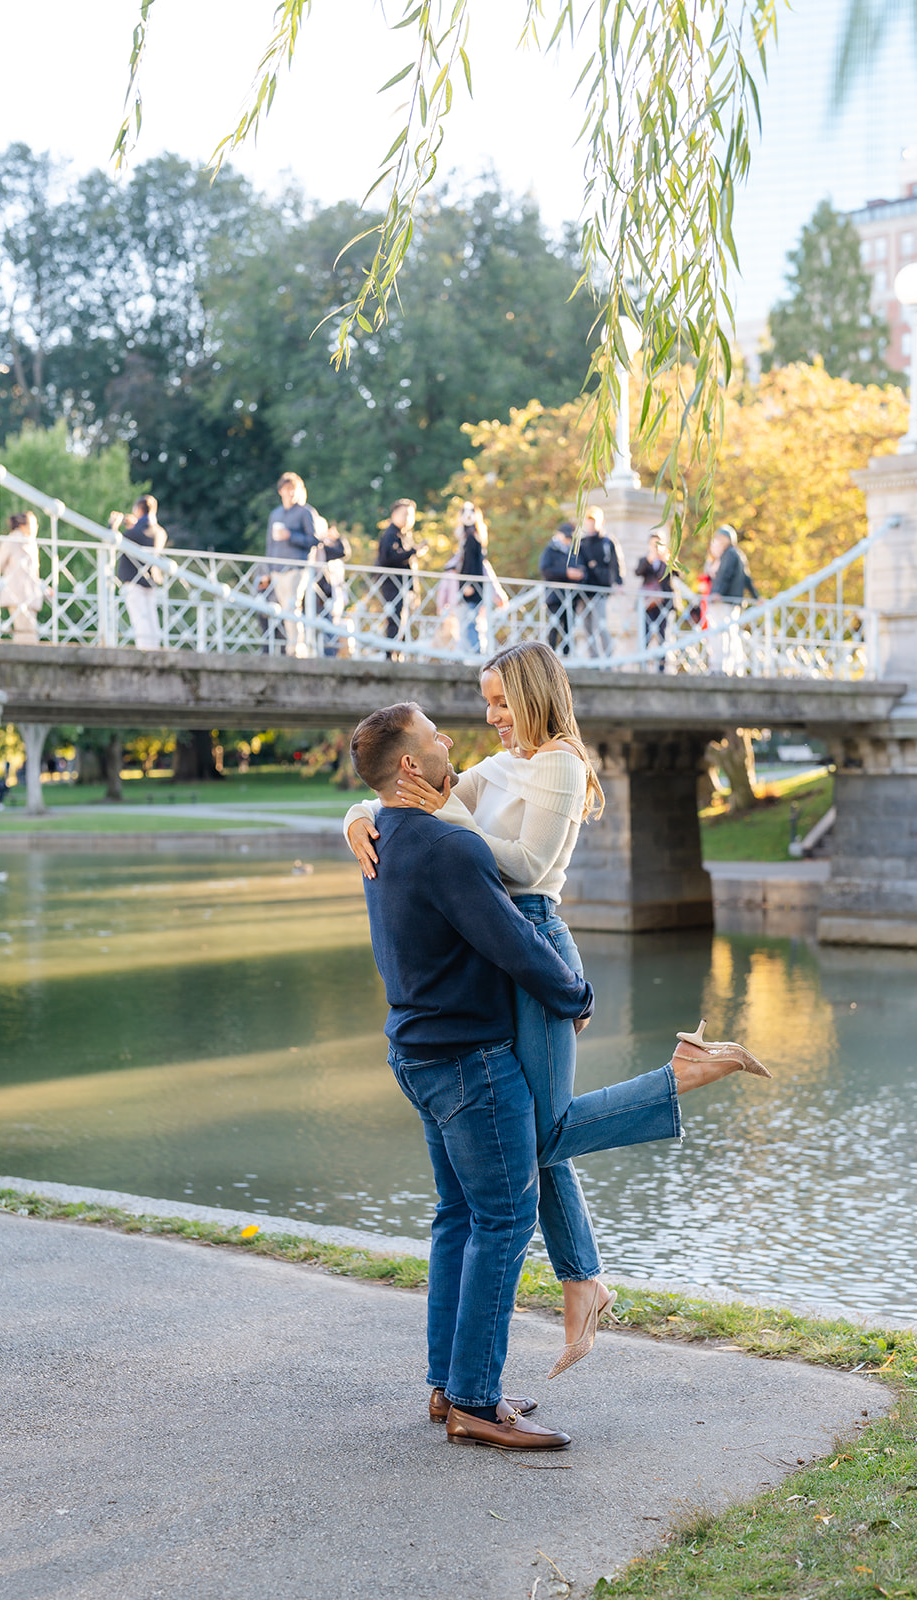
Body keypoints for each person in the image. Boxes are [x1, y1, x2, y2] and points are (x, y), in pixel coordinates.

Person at [348, 698, 771, 1451]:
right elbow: (511, 940)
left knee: (458, 1216)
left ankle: (449, 1386)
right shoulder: (450, 850)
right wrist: (577, 993)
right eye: (434, 735)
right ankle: (476, 1403)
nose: (452, 737)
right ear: (411, 764)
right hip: (468, 1059)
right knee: (504, 1218)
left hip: (415, 1053)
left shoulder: (386, 834)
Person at [258, 472, 321, 657]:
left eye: (294, 489)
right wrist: (267, 570)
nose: (291, 493)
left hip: (296, 567)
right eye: (287, 489)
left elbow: (315, 540)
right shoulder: (275, 514)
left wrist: (291, 536)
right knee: (284, 608)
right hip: (277, 568)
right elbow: (270, 544)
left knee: (292, 605)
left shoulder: (306, 512)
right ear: (281, 491)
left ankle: (296, 647)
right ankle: (290, 645)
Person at [113, 496, 166, 651]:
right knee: (152, 618)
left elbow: (114, 540)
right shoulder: (160, 532)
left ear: (139, 509)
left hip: (134, 581)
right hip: (152, 580)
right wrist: (134, 525)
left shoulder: (134, 533)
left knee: (140, 619)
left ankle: (145, 650)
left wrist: (114, 526)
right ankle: (154, 648)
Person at [453, 504, 507, 656]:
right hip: (473, 586)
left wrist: (468, 584)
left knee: (470, 622)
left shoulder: (471, 538)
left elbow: (473, 564)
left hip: (471, 587)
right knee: (469, 621)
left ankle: (475, 653)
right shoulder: (472, 537)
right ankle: (473, 652)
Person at [376, 499, 424, 659]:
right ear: (394, 514)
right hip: (392, 585)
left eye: (410, 515)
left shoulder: (404, 535)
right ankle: (390, 655)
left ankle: (397, 653)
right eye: (404, 514)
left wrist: (414, 591)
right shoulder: (390, 534)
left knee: (401, 620)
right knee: (395, 619)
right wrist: (412, 551)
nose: (408, 518)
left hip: (402, 585)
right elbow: (388, 558)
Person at [707, 524, 758, 675]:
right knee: (731, 633)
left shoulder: (729, 554)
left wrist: (717, 592)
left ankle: (719, 667)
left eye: (720, 539)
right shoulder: (738, 555)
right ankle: (735, 667)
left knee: (721, 634)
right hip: (733, 601)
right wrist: (756, 596)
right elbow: (747, 578)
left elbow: (725, 575)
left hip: (724, 601)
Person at [576, 508, 624, 660]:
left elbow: (616, 563)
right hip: (584, 590)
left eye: (593, 521)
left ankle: (608, 656)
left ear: (601, 522)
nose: (590, 525)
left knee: (601, 624)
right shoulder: (581, 543)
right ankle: (594, 658)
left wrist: (618, 581)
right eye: (588, 522)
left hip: (601, 589)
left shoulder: (607, 541)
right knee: (587, 627)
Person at [0, 511, 44, 644]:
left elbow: (32, 574)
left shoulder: (31, 543)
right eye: (34, 524)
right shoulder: (13, 541)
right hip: (17, 593)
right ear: (23, 526)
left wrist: (44, 589)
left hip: (29, 594)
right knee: (25, 632)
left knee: (27, 631)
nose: (36, 527)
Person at [539, 522, 584, 655]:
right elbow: (545, 570)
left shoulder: (574, 552)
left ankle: (567, 654)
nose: (567, 540)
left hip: (571, 596)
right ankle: (549, 655)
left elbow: (582, 568)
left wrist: (579, 574)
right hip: (554, 595)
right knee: (554, 625)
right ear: (558, 535)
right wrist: (566, 573)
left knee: (569, 627)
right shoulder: (550, 550)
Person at [312, 521, 352, 657]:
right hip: (314, 593)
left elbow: (343, 552)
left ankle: (328, 656)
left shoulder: (324, 550)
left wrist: (337, 538)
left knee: (328, 629)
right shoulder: (316, 548)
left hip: (324, 596)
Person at [636, 531, 674, 670]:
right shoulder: (645, 560)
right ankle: (643, 664)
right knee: (645, 633)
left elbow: (677, 574)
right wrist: (648, 561)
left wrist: (667, 561)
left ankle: (662, 667)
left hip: (663, 603)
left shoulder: (668, 561)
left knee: (663, 635)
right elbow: (638, 572)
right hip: (648, 604)